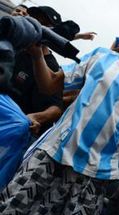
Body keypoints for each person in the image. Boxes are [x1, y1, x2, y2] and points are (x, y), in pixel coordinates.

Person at [0, 15, 119, 215]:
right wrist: (38, 54)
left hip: (97, 174)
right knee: (10, 214)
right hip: (54, 153)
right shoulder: (101, 56)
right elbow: (50, 85)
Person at [6, 6, 64, 138]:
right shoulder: (11, 45)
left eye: (43, 24)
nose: (37, 26)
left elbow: (55, 107)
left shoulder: (51, 67)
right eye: (34, 19)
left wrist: (36, 117)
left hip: (11, 129)